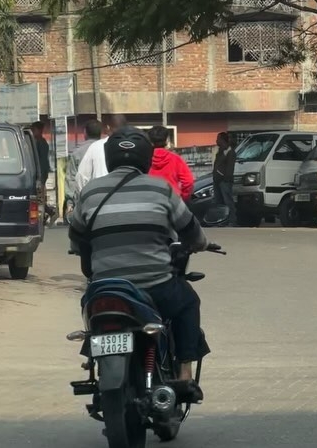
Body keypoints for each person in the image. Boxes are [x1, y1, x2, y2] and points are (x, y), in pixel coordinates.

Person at [69, 127, 208, 396]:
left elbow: (76, 239)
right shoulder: (161, 189)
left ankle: (93, 355)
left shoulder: (90, 193)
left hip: (105, 289)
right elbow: (191, 230)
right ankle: (184, 373)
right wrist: (200, 244)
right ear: (145, 157)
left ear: (110, 157)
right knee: (188, 302)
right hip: (155, 287)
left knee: (92, 310)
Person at [148, 124, 195, 201]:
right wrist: (183, 198)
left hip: (151, 201)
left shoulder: (144, 159)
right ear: (166, 140)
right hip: (172, 201)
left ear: (150, 141)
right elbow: (188, 182)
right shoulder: (175, 159)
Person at [31, 121, 55, 224]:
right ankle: (48, 212)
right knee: (38, 196)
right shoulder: (38, 142)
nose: (32, 131)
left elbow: (41, 161)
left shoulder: (41, 142)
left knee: (39, 196)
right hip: (39, 173)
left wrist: (39, 175)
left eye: (34, 129)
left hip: (40, 173)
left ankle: (46, 214)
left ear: (39, 130)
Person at [212, 132, 236, 226]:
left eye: (218, 139)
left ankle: (232, 220)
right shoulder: (220, 151)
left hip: (224, 181)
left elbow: (230, 169)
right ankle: (221, 220)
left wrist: (225, 178)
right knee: (218, 202)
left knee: (228, 201)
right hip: (217, 180)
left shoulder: (230, 152)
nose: (216, 141)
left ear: (222, 140)